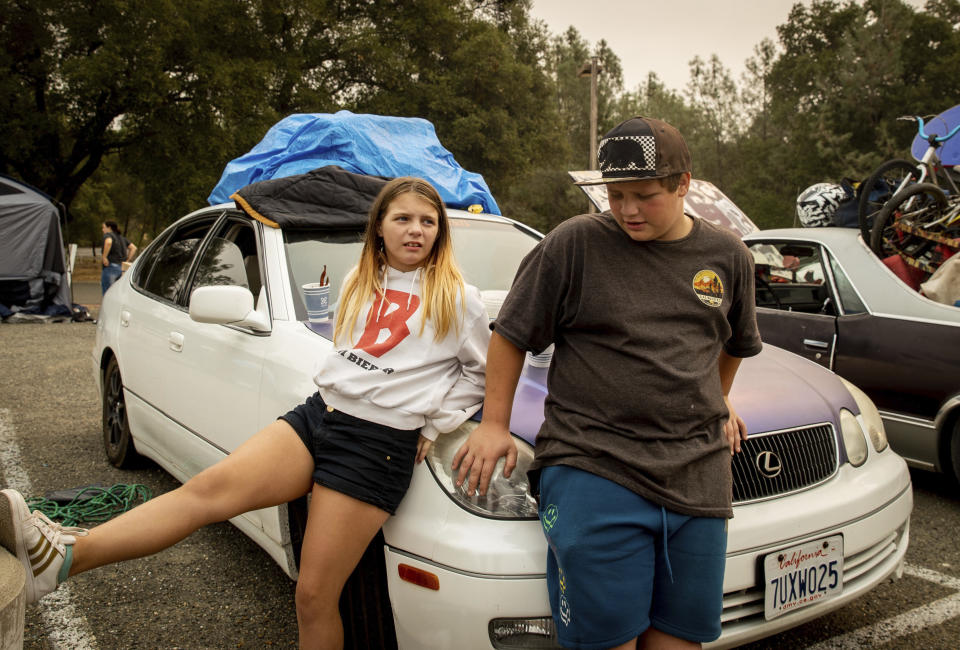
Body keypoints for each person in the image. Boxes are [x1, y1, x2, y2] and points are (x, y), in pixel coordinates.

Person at [1, 177, 490, 649]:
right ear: (379, 226)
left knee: (314, 597)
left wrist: (436, 421)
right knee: (203, 494)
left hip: (376, 446)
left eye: (428, 221)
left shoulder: (457, 297)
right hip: (321, 416)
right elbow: (355, 357)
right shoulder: (360, 281)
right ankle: (62, 559)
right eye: (403, 218)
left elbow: (482, 373)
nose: (416, 229)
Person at [452, 117, 762, 650]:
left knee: (679, 640)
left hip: (698, 476)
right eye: (615, 196)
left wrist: (719, 396)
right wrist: (494, 423)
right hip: (595, 466)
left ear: (684, 184)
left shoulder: (728, 256)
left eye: (644, 196)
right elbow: (511, 334)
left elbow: (733, 342)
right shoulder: (574, 244)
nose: (627, 211)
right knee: (607, 642)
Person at [100, 221, 137, 294]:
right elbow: (133, 248)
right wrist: (127, 260)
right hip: (122, 268)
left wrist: (104, 257)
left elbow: (108, 242)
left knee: (108, 292)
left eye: (103, 227)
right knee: (117, 292)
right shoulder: (122, 238)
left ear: (109, 228)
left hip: (111, 267)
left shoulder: (108, 235)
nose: (102, 230)